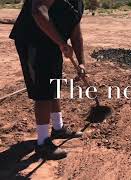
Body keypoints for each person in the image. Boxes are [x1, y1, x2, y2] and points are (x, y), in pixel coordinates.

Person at [9, 0, 86, 160]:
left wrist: (82, 63)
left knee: (53, 83)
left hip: (53, 42)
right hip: (33, 40)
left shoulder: (78, 2)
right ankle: (42, 143)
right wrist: (61, 43)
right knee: (43, 89)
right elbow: (38, 11)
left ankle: (58, 128)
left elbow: (76, 33)